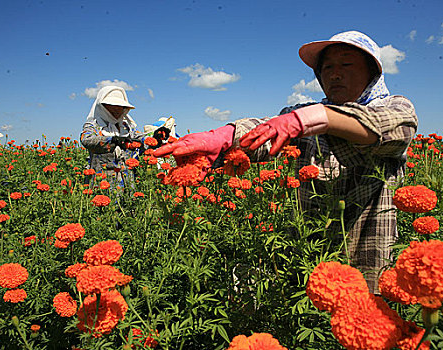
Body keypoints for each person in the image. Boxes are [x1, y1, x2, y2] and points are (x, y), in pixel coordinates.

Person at [154, 31, 418, 293]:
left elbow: (383, 128)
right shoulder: (302, 112)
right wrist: (224, 137)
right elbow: (265, 132)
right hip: (305, 259)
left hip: (363, 262)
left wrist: (309, 120)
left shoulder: (396, 108)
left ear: (372, 72)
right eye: (327, 67)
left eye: (346, 64)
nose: (334, 73)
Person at [80, 86, 145, 186]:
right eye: (112, 105)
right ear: (102, 106)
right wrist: (113, 140)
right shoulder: (94, 126)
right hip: (103, 182)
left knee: (127, 201)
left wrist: (153, 137)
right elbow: (86, 140)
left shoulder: (126, 126)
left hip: (127, 180)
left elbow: (139, 137)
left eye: (120, 106)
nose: (117, 109)